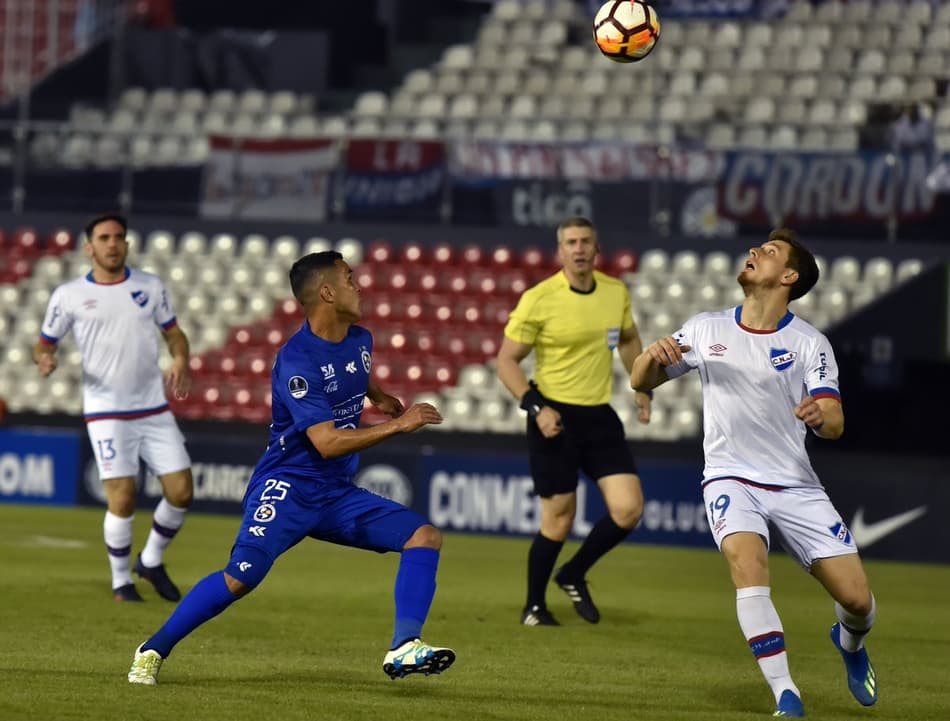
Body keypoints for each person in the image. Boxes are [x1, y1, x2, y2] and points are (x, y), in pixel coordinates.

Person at [128, 250, 456, 685]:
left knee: (424, 537)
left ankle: (403, 648)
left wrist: (378, 396)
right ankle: (152, 649)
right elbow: (325, 443)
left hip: (335, 492)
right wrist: (399, 424)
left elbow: (356, 372)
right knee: (241, 577)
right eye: (349, 278)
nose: (358, 286)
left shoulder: (360, 339)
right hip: (288, 488)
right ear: (326, 292)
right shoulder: (297, 361)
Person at [630, 229, 877, 717]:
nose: (753, 253)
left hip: (795, 483)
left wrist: (819, 416)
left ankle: (849, 643)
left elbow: (835, 421)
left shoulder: (809, 343)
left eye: (768, 252)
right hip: (729, 476)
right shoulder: (706, 328)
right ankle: (787, 693)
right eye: (756, 248)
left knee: (858, 600)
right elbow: (641, 379)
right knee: (748, 568)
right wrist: (651, 361)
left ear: (788, 276)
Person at [496, 216, 651, 626]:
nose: (579, 248)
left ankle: (574, 572)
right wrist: (535, 407)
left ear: (597, 250)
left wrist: (641, 384)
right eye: (571, 242)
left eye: (585, 241)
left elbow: (630, 338)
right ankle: (533, 606)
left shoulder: (616, 292)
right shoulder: (540, 297)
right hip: (554, 415)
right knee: (560, 517)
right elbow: (506, 361)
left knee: (629, 508)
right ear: (560, 251)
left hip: (599, 416)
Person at [34, 213, 193, 603]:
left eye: (119, 237)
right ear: (89, 247)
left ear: (126, 244)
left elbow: (174, 334)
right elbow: (45, 342)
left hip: (153, 407)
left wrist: (180, 359)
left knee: (182, 491)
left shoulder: (150, 287)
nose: (112, 243)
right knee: (121, 496)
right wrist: (45, 359)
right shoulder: (68, 295)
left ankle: (151, 560)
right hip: (106, 409)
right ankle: (121, 580)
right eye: (104, 237)